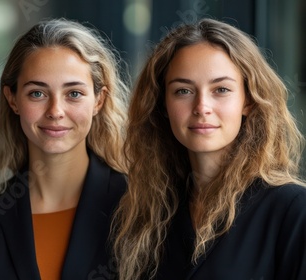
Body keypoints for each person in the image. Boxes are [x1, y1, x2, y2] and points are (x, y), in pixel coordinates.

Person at [112, 18, 306, 280]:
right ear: (163, 105)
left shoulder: (292, 209)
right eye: (183, 91)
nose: (202, 107)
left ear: (248, 101)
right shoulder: (149, 212)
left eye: (221, 89)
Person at [0, 18, 129, 280]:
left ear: (99, 100)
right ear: (12, 99)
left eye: (74, 94)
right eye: (37, 93)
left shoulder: (137, 206)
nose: (55, 112)